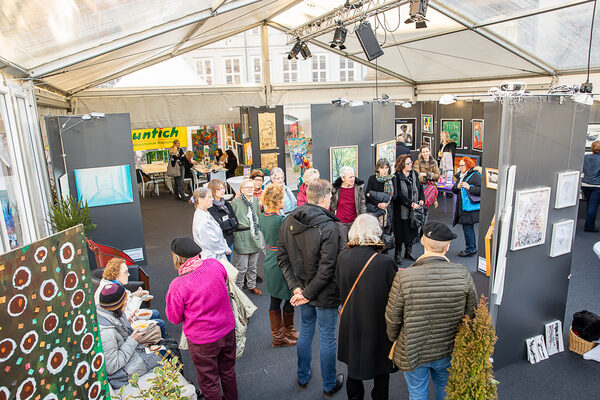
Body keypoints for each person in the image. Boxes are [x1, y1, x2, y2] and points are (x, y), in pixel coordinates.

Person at [386, 221, 477, 400]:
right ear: (448, 247)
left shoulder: (404, 277)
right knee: (446, 388)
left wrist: (395, 339)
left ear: (422, 241)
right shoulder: (463, 273)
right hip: (448, 348)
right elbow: (471, 313)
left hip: (413, 348)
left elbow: (393, 318)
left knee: (417, 392)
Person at [278, 179, 345, 398]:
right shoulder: (330, 226)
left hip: (302, 292)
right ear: (326, 199)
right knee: (326, 337)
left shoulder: (288, 220)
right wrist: (303, 292)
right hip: (322, 294)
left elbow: (283, 258)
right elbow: (328, 269)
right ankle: (328, 384)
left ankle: (303, 377)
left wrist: (297, 289)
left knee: (306, 332)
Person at [166, 237, 238, 400]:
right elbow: (224, 280)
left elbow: (174, 318)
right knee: (228, 372)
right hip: (227, 330)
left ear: (177, 258)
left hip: (202, 341)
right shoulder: (214, 264)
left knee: (209, 382)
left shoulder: (178, 285)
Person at [337, 214, 397, 400]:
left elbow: (340, 286)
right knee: (381, 369)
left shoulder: (343, 257)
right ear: (375, 232)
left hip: (351, 319)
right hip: (378, 322)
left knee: (353, 367)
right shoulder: (385, 262)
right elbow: (394, 297)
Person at [97, 283, 162, 389]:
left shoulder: (109, 313)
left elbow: (119, 333)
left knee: (165, 340)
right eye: (125, 301)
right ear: (118, 306)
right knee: (167, 354)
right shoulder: (106, 333)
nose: (127, 303)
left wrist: (126, 323)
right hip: (121, 374)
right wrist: (132, 340)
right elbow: (112, 366)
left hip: (128, 355)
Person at [260, 185, 297, 347]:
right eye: (282, 198)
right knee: (290, 296)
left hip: (269, 260)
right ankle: (283, 334)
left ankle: (282, 333)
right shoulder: (281, 220)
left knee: (275, 299)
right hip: (282, 262)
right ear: (277, 201)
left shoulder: (263, 217)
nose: (285, 201)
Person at [94, 257, 168, 338]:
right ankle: (162, 344)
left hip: (123, 321)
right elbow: (126, 314)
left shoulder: (111, 286)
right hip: (123, 329)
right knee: (160, 323)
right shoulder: (110, 292)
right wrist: (137, 297)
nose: (129, 275)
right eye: (125, 272)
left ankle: (160, 338)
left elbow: (124, 303)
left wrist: (134, 295)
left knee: (155, 313)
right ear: (115, 274)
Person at [231, 178, 263, 295]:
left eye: (251, 187)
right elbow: (232, 219)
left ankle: (252, 285)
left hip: (254, 235)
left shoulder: (255, 200)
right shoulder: (236, 202)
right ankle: (238, 289)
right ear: (241, 189)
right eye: (247, 187)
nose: (250, 189)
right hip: (242, 236)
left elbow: (258, 217)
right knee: (242, 267)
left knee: (253, 266)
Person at [393, 154, 424, 265]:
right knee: (400, 232)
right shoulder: (396, 177)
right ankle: (397, 254)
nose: (410, 165)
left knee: (411, 230)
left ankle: (408, 252)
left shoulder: (414, 174)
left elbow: (420, 188)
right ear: (402, 165)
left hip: (413, 210)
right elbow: (398, 196)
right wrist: (410, 204)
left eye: (411, 163)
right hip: (401, 211)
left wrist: (421, 199)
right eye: (408, 163)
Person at [452, 156, 481, 257]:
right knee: (467, 228)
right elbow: (454, 189)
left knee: (468, 228)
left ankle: (471, 248)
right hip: (463, 207)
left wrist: (469, 188)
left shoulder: (475, 175)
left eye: (462, 165)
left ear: (468, 165)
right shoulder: (461, 175)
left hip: (469, 208)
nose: (460, 167)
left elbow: (481, 190)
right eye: (459, 166)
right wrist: (457, 186)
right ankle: (471, 247)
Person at [192, 187, 232, 260]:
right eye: (209, 197)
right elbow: (211, 242)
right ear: (200, 200)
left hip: (215, 256)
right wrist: (225, 249)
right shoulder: (202, 220)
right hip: (212, 258)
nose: (212, 199)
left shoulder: (205, 213)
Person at [331, 166, 366, 247]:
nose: (353, 179)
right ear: (343, 178)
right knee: (342, 245)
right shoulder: (336, 189)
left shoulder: (358, 188)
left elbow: (362, 203)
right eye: (350, 177)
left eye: (353, 176)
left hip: (354, 222)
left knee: (354, 245)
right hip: (341, 222)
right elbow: (331, 203)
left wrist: (362, 218)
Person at [365, 158, 397, 239]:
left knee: (385, 235)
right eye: (382, 168)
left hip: (388, 209)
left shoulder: (392, 178)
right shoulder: (372, 178)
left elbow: (395, 195)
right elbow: (367, 196)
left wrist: (385, 202)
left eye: (386, 168)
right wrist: (378, 204)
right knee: (374, 234)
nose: (384, 170)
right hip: (375, 210)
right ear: (378, 169)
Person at [207, 179, 239, 261]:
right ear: (212, 190)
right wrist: (230, 223)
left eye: (223, 188)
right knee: (221, 267)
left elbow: (236, 222)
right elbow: (219, 226)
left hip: (230, 240)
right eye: (219, 189)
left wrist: (227, 225)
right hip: (219, 243)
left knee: (230, 265)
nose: (222, 191)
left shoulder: (227, 204)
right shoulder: (211, 208)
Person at [413, 144, 440, 211]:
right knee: (421, 207)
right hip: (421, 187)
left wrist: (426, 174)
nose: (425, 153)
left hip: (431, 187)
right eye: (423, 152)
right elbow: (417, 176)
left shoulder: (434, 162)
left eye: (427, 151)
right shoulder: (417, 162)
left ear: (429, 152)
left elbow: (437, 175)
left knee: (428, 206)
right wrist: (431, 176)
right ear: (421, 153)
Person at [582, 140, 600, 232]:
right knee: (593, 206)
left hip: (585, 184)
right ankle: (589, 226)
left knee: (590, 205)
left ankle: (589, 224)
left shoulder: (585, 157)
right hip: (597, 186)